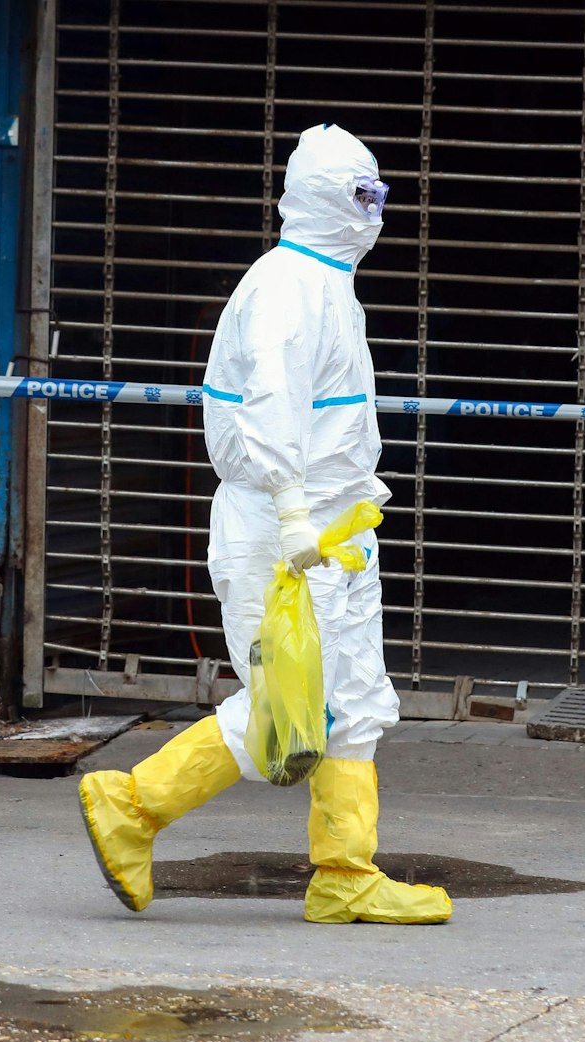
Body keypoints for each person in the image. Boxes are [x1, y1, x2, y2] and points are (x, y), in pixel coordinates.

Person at [77, 125, 453, 927]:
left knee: (351, 702)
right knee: (293, 705)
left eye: (377, 193)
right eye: (363, 194)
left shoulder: (326, 283)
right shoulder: (288, 288)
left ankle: (345, 871)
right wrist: (291, 514)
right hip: (290, 530)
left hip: (331, 527)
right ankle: (132, 805)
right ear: (325, 198)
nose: (375, 210)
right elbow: (271, 408)